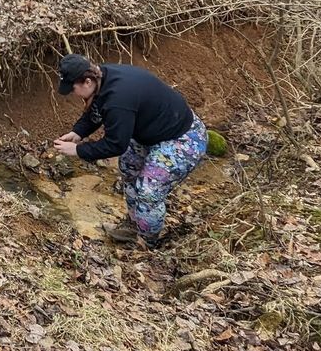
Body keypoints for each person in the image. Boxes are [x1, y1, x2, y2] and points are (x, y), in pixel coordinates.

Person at [52, 54, 208, 247]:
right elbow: (96, 110)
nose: (73, 93)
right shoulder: (102, 77)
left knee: (148, 191)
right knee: (128, 167)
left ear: (87, 80)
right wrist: (78, 132)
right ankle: (134, 225)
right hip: (152, 133)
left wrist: (78, 150)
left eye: (73, 88)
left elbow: (116, 144)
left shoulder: (118, 97)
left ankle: (147, 243)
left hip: (183, 138)